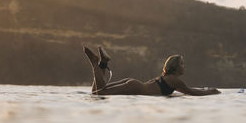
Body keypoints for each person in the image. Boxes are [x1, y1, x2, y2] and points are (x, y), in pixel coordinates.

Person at [83, 46, 221, 96]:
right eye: (182, 64)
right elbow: (192, 92)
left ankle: (102, 63)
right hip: (135, 87)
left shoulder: (168, 79)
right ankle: (96, 63)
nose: (184, 66)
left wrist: (204, 88)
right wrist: (212, 91)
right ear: (175, 67)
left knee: (97, 92)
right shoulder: (174, 80)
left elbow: (187, 89)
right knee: (98, 93)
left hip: (134, 84)